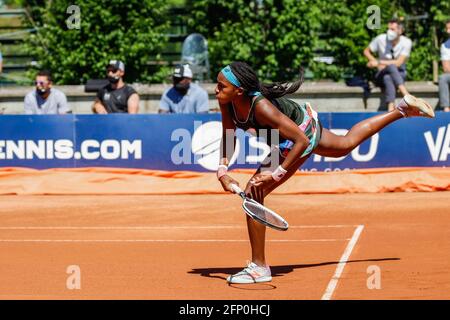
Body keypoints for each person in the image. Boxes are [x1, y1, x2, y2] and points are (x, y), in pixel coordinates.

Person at [215, 61, 434, 284]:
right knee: (344, 145)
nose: (216, 90)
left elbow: (300, 141)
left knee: (254, 192)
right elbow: (229, 135)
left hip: (298, 136)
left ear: (239, 91)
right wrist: (222, 170)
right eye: (217, 85)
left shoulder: (261, 107)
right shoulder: (227, 101)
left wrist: (276, 173)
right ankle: (402, 110)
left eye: (221, 86)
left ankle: (259, 268)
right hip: (293, 127)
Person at [364, 18, 413, 111]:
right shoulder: (380, 39)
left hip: (399, 73)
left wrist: (378, 62)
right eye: (388, 29)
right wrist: (375, 63)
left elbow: (398, 63)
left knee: (388, 76)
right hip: (380, 74)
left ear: (400, 31)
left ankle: (391, 107)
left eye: (393, 29)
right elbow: (366, 51)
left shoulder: (407, 42)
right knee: (389, 70)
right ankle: (406, 95)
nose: (389, 32)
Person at [438, 20, 450, 112]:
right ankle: (446, 109)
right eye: (448, 28)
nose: (449, 30)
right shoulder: (445, 46)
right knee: (443, 78)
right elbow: (446, 68)